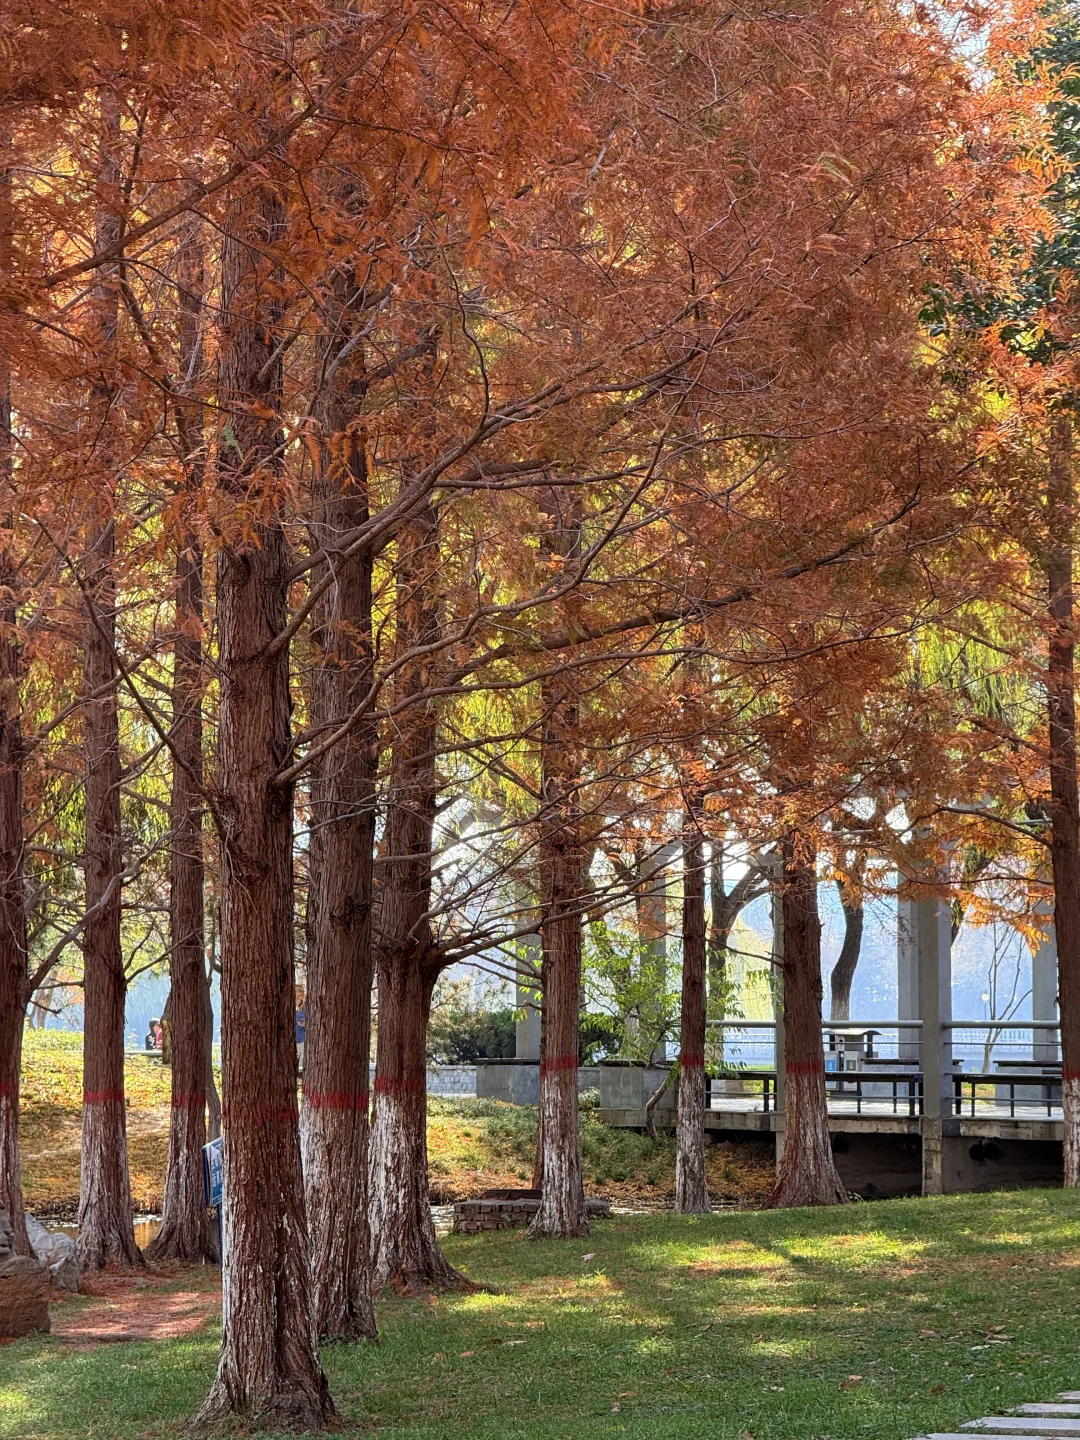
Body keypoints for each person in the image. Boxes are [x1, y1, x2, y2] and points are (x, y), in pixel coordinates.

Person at [295, 988, 306, 1074]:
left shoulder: (304, 1012)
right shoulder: (297, 1012)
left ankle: (300, 1072)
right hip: (297, 1038)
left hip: (302, 1038)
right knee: (298, 1055)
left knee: (301, 1056)